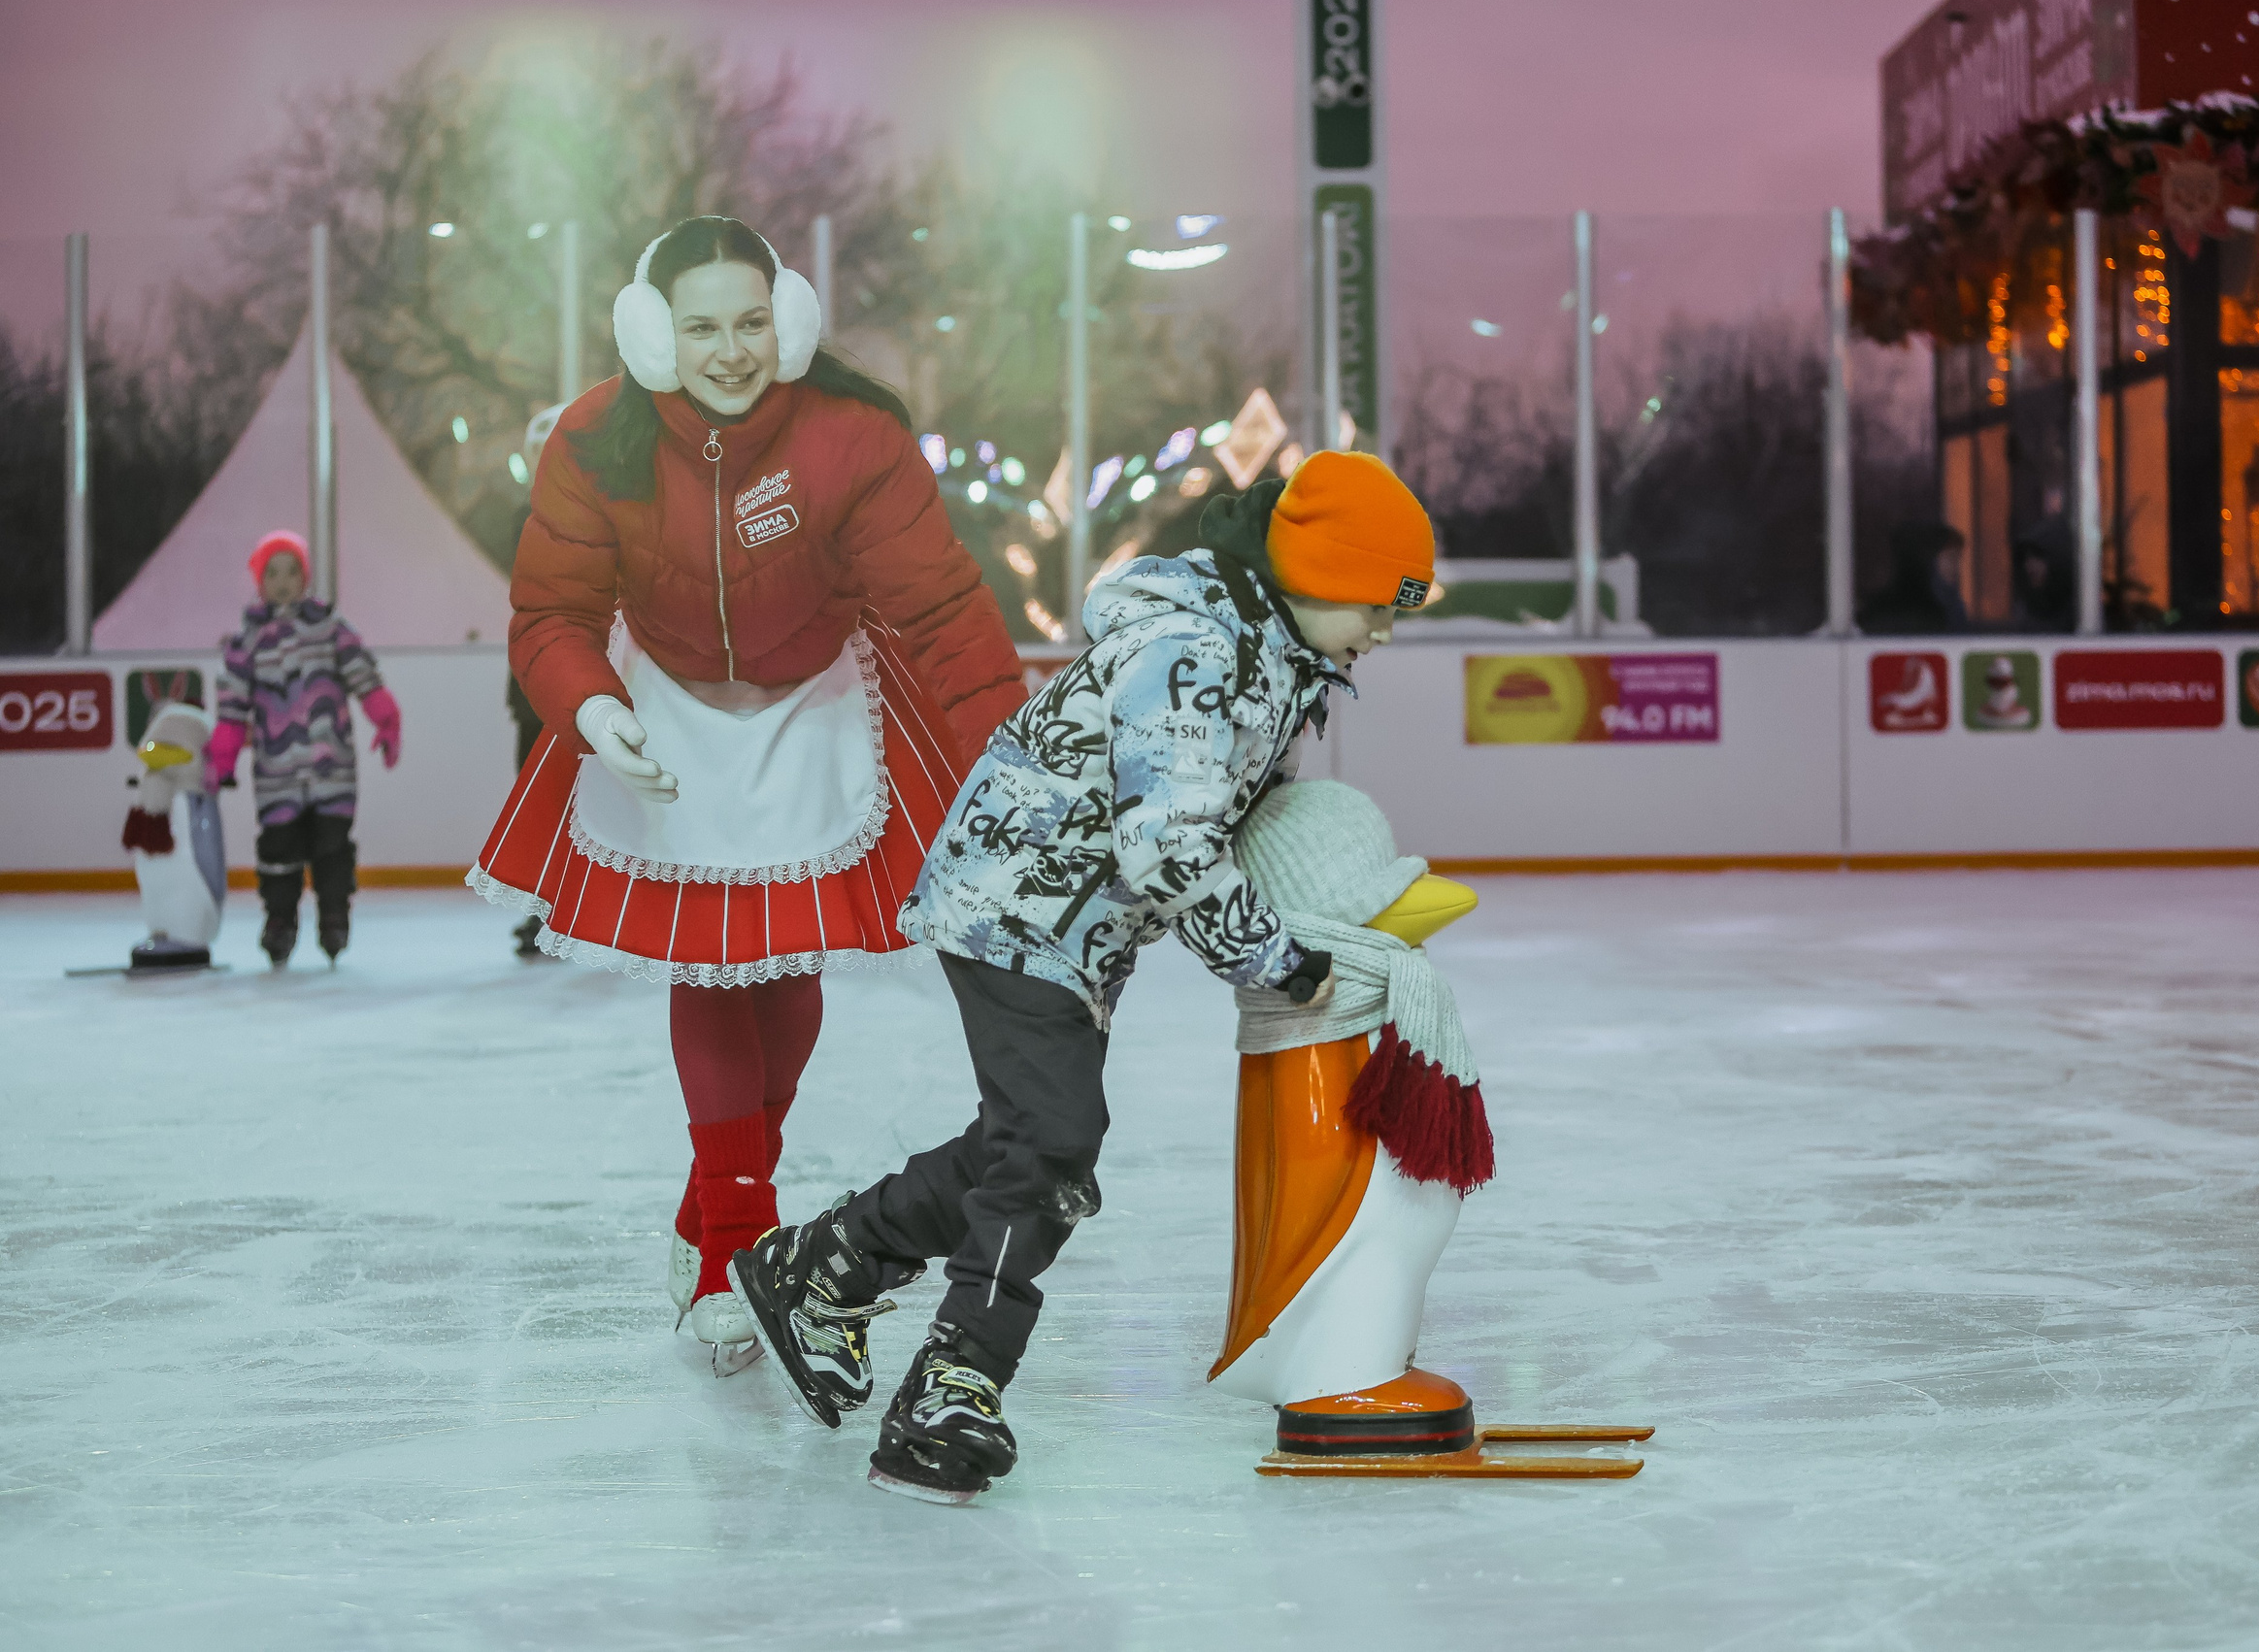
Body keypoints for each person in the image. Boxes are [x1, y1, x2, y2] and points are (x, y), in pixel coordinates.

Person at [730, 450, 1439, 1503]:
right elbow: (1169, 843)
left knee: (1020, 1144)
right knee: (1054, 1143)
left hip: (1071, 928)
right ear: (1319, 576)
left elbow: (1215, 838)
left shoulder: (1275, 660)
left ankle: (824, 1265)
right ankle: (954, 1383)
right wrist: (1277, 964)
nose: (1383, 634)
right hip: (1018, 909)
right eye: (1380, 605)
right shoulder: (1197, 651)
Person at [465, 215, 1024, 1372]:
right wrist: (588, 704)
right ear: (655, 335)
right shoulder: (596, 438)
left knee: (783, 962)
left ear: (792, 320)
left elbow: (942, 611)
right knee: (711, 963)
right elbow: (550, 612)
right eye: (704, 327)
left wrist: (1010, 762)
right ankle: (733, 1248)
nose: (732, 351)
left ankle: (707, 1209)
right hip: (661, 705)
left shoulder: (848, 434)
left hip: (816, 697)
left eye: (753, 323)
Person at [205, 530, 401, 967]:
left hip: (331, 767)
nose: (282, 582)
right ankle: (280, 922)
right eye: (271, 573)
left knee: (332, 849)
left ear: (305, 578)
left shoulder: (330, 630)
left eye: (292, 572)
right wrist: (222, 759)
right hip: (277, 774)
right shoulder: (246, 644)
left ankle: (334, 917)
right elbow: (232, 708)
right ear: (259, 582)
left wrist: (386, 720)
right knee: (279, 851)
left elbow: (363, 676)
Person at [1857, 519, 1968, 634]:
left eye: (1959, 558)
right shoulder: (1909, 614)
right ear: (1929, 560)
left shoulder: (1952, 606)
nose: (1958, 567)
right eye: (1951, 558)